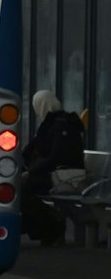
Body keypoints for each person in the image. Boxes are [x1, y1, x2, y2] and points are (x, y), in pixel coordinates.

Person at [21, 90, 87, 244]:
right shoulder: (51, 123)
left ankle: (51, 227)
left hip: (66, 176)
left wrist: (30, 172)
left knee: (24, 191)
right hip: (55, 173)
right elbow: (33, 149)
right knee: (22, 189)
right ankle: (43, 227)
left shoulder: (60, 125)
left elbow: (56, 156)